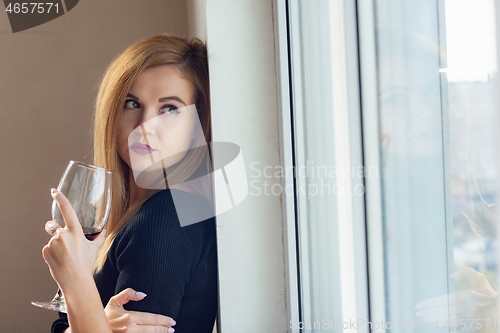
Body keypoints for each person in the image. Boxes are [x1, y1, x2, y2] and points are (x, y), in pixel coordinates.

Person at [42, 33, 218, 333]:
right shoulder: (129, 211)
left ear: (196, 124)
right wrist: (91, 322)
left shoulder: (165, 217)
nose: (144, 128)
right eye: (132, 103)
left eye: (169, 109)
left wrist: (74, 281)